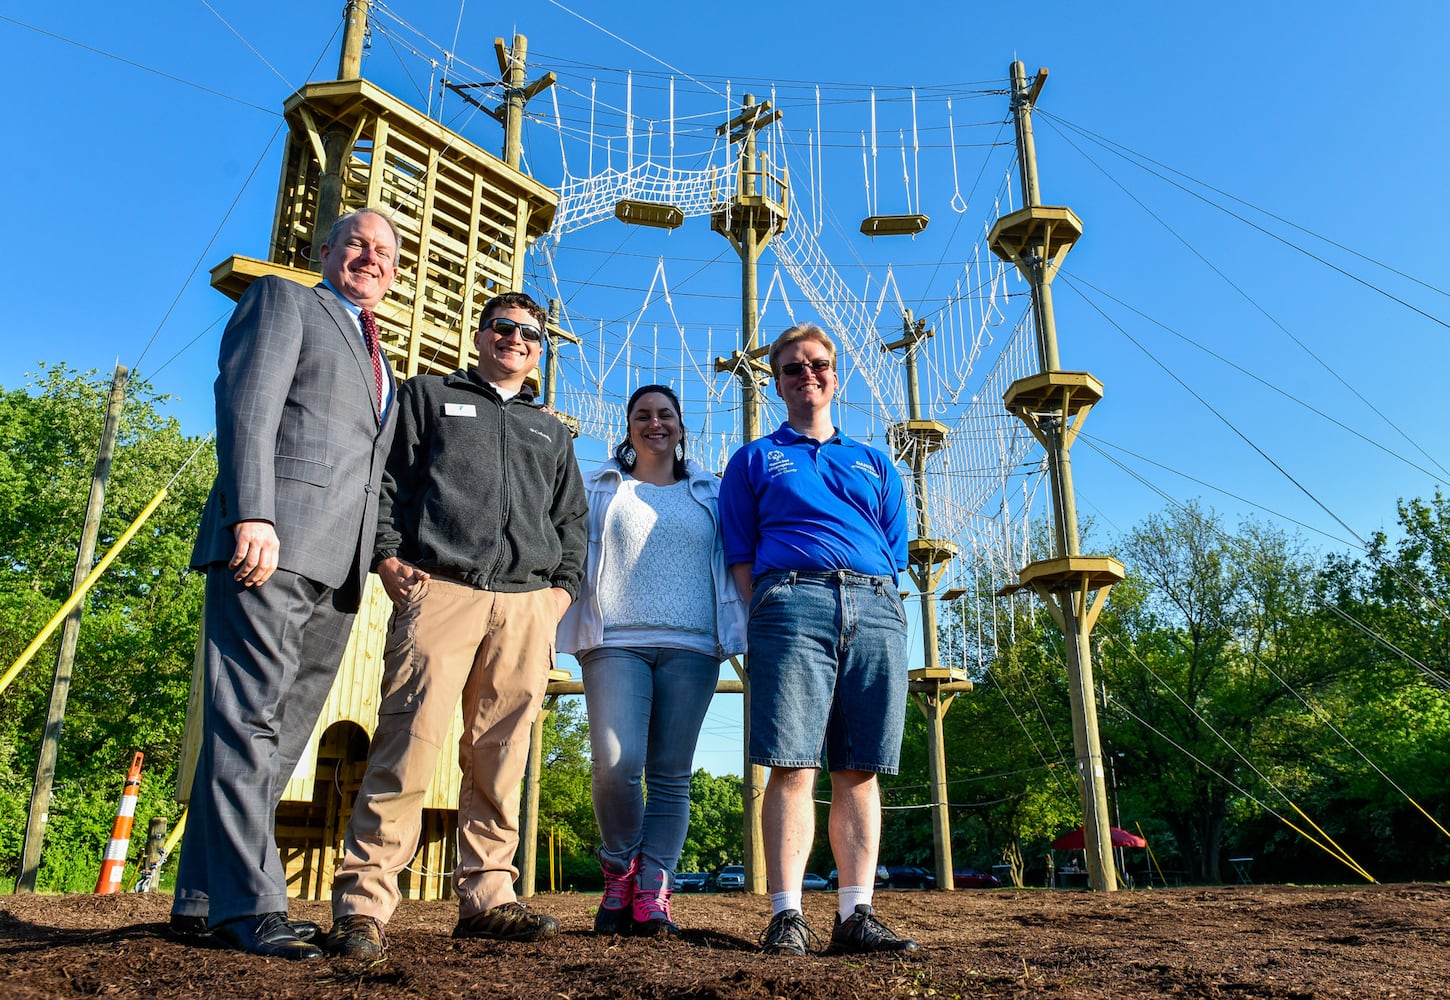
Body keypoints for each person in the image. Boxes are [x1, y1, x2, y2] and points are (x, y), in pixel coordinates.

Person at [325, 291, 588, 961]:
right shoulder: (429, 396)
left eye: (530, 334)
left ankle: (488, 898)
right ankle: (363, 906)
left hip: (526, 605)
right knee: (407, 746)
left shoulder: (549, 430)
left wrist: (559, 594)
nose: (516, 340)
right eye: (503, 328)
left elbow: (572, 522)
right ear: (480, 334)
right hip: (440, 589)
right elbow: (385, 481)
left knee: (501, 759)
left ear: (540, 349)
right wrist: (387, 557)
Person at [171, 207, 402, 960]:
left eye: (385, 255)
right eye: (358, 245)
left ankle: (204, 898)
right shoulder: (284, 300)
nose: (371, 260)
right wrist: (254, 514)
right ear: (325, 250)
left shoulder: (382, 360)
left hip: (339, 568)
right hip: (270, 544)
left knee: (281, 731)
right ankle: (254, 904)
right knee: (248, 720)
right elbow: (247, 408)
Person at [719, 321, 918, 957]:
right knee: (792, 763)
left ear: (836, 375)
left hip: (875, 604)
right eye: (793, 368)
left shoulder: (875, 460)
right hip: (790, 602)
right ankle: (787, 916)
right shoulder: (754, 459)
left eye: (818, 366)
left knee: (860, 769)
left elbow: (895, 546)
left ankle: (856, 915)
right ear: (776, 382)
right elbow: (741, 550)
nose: (808, 376)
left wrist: (869, 592)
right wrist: (778, 604)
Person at [556, 384, 747, 938]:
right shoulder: (599, 485)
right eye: (643, 415)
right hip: (614, 639)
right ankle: (620, 867)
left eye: (666, 414)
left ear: (682, 427)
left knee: (670, 774)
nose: (655, 423)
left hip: (693, 645)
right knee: (616, 764)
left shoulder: (710, 491)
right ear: (629, 426)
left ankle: (652, 888)